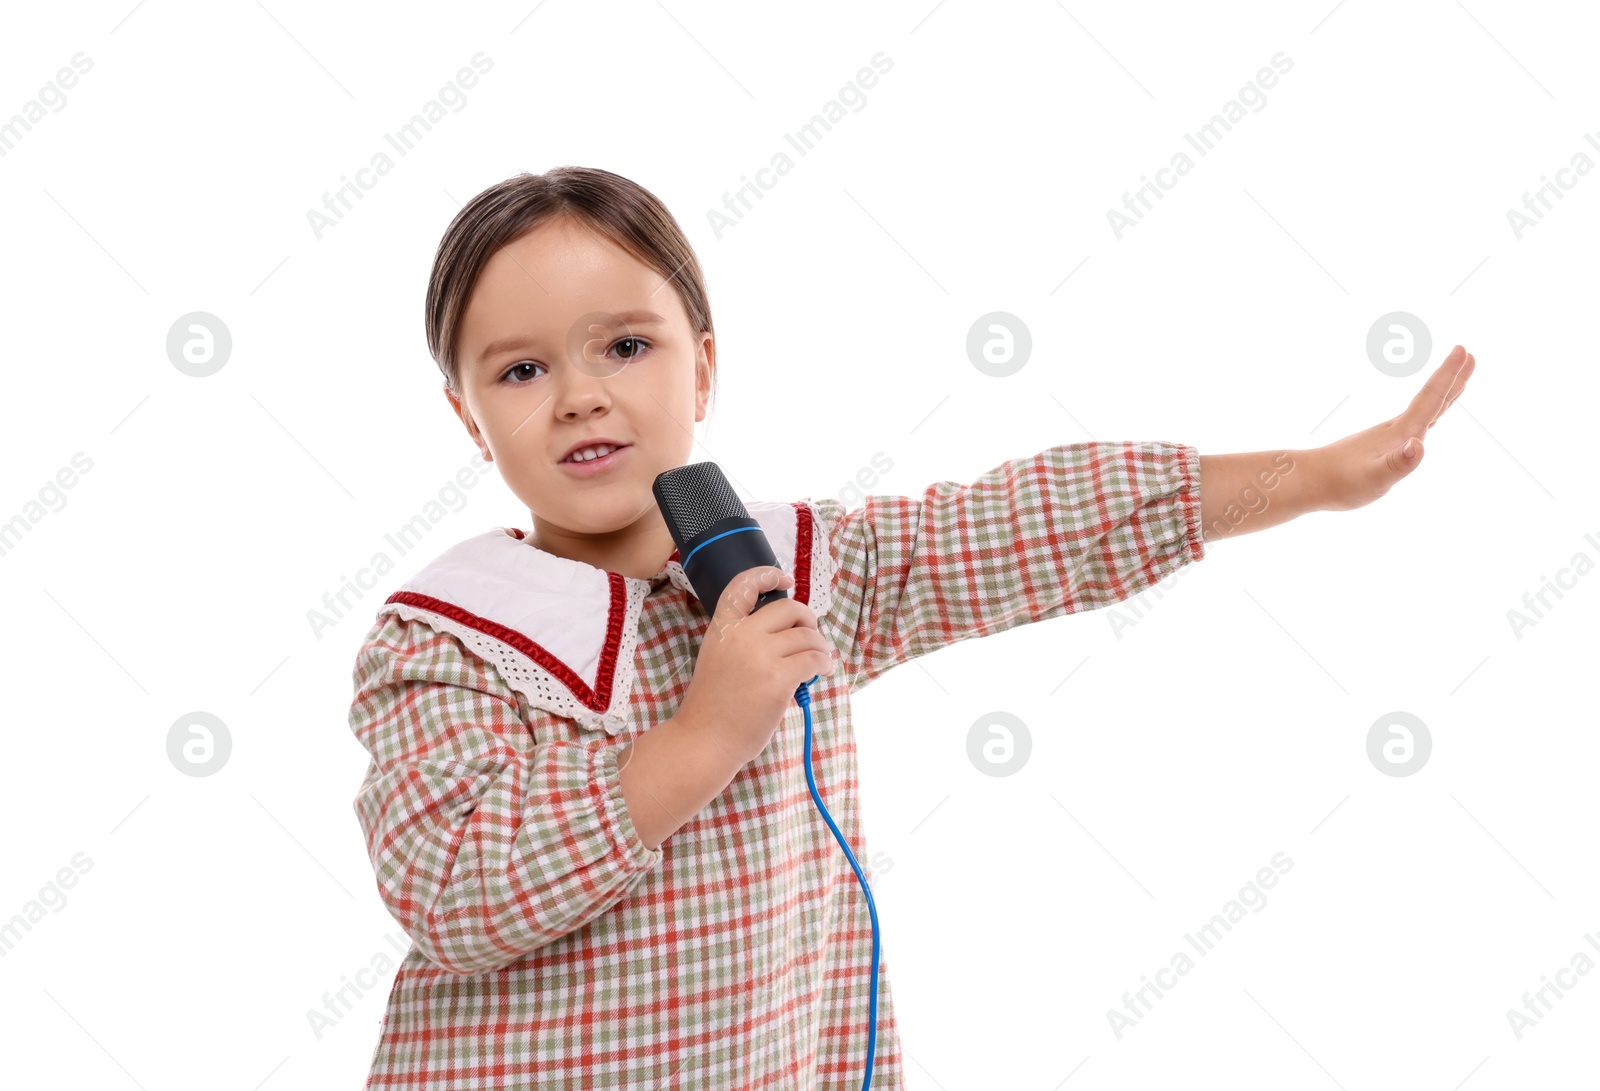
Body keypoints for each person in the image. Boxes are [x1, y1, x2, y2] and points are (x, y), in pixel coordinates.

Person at [345, 166, 1476, 1089]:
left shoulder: (798, 569)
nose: (580, 394)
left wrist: (1312, 475)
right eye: (523, 368)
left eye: (625, 346)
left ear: (706, 364)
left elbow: (1025, 526)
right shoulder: (448, 641)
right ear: (468, 415)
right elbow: (457, 891)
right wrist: (705, 729)